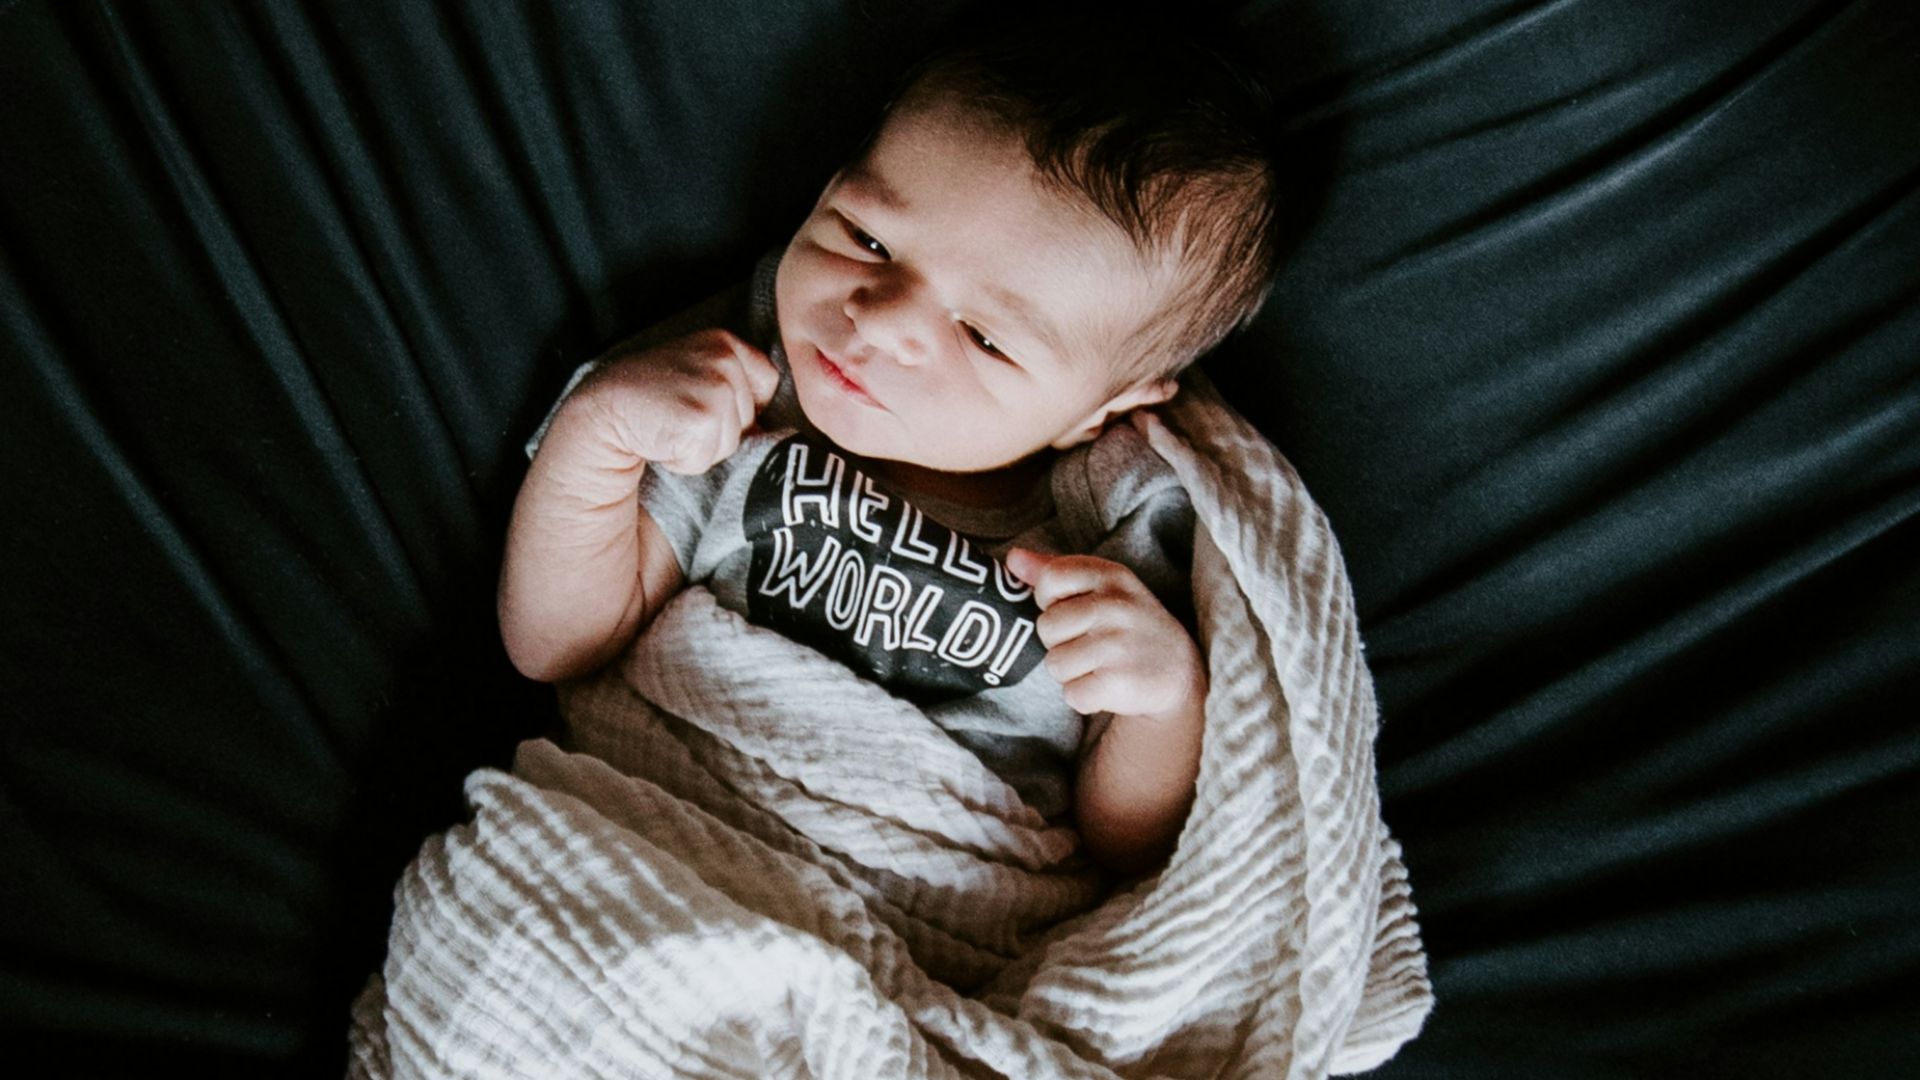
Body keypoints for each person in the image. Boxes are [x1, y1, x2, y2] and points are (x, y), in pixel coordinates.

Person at [498, 8, 1282, 877]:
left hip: (934, 908)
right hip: (661, 838)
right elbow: (557, 645)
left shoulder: (1117, 528)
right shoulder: (737, 399)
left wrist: (1166, 705)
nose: (878, 319)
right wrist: (597, 432)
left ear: (1100, 409)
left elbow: (1127, 846)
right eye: (866, 238)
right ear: (828, 187)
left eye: (986, 337)